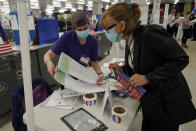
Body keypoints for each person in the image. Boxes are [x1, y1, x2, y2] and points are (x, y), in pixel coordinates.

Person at [100, 2, 196, 131]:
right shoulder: (130, 40)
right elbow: (139, 65)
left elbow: (181, 59)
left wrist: (148, 77)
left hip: (167, 102)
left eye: (108, 29)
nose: (106, 33)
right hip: (152, 101)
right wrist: (121, 68)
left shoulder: (149, 34)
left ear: (122, 25)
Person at [44, 11, 104, 84]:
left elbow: (94, 62)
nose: (83, 31)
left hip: (81, 76)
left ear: (89, 25)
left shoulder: (93, 42)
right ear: (74, 29)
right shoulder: (66, 38)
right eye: (79, 30)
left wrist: (100, 73)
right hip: (67, 78)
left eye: (85, 28)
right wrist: (49, 62)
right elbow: (48, 55)